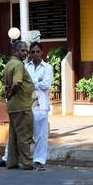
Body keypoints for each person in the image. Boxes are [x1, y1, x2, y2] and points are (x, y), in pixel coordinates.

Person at [0, 40, 34, 169]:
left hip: (14, 106)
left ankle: (12, 162)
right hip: (21, 106)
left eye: (26, 50)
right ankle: (27, 163)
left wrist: (8, 95)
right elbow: (16, 83)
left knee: (13, 136)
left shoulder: (8, 64)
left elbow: (7, 85)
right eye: (23, 50)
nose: (26, 53)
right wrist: (10, 94)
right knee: (24, 135)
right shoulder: (18, 65)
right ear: (15, 51)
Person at [26, 42, 53, 170]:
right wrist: (38, 81)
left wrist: (33, 82)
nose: (35, 54)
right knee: (22, 133)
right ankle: (14, 158)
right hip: (27, 104)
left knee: (41, 136)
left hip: (41, 105)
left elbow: (46, 84)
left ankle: (39, 160)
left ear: (41, 52)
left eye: (37, 51)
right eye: (33, 52)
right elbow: (24, 84)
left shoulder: (48, 68)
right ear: (30, 53)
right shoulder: (26, 67)